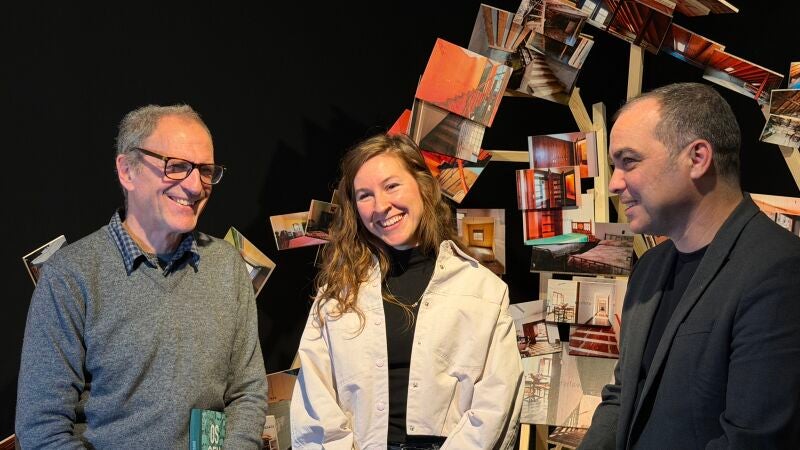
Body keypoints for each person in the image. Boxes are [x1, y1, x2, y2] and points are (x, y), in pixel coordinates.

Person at [16, 104, 268, 448]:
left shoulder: (226, 266)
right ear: (127, 171)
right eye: (176, 167)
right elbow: (41, 429)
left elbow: (247, 393)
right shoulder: (71, 276)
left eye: (206, 171)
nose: (195, 186)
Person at [580, 83, 800, 449]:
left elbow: (754, 440)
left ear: (697, 158)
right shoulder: (649, 268)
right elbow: (624, 394)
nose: (614, 184)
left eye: (628, 161)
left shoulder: (779, 271)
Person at [291, 133, 523, 449]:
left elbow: (496, 401)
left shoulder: (483, 290)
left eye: (391, 186)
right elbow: (316, 405)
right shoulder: (337, 297)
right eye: (365, 195)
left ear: (422, 185)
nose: (381, 206)